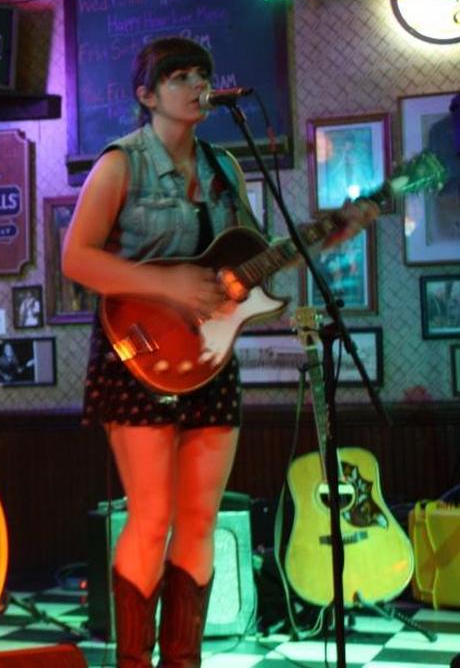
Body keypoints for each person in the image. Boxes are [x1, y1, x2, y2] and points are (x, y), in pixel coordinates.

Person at [60, 37, 376, 667]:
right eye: (179, 77)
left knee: (200, 520)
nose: (197, 86)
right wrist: (168, 284)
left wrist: (323, 237)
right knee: (151, 517)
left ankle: (183, 661)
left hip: (210, 359)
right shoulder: (121, 164)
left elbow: (248, 261)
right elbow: (77, 260)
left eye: (202, 74)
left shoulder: (225, 168)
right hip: (136, 354)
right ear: (147, 95)